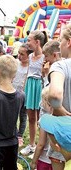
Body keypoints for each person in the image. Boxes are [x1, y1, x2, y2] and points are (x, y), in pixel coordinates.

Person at [44, 23, 71, 170]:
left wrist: (58, 107)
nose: (59, 45)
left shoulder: (60, 66)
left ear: (69, 42)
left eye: (60, 40)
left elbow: (54, 95)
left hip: (63, 136)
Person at [20, 30, 48, 156]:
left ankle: (42, 146)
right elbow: (27, 73)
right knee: (31, 117)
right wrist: (24, 86)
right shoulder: (30, 56)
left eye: (29, 40)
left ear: (37, 42)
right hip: (30, 86)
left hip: (39, 86)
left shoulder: (45, 57)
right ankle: (32, 145)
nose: (27, 42)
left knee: (41, 118)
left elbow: (45, 75)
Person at [12, 43, 32, 147]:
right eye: (18, 53)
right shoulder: (15, 63)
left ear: (29, 55)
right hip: (13, 94)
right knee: (12, 115)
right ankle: (13, 133)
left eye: (22, 54)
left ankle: (20, 136)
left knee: (23, 116)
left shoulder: (30, 67)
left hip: (24, 96)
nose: (19, 56)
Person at [30, 86, 53, 170]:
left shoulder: (45, 120)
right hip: (58, 161)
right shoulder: (62, 118)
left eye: (43, 101)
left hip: (44, 160)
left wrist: (34, 161)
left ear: (48, 104)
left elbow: (40, 144)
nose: (42, 104)